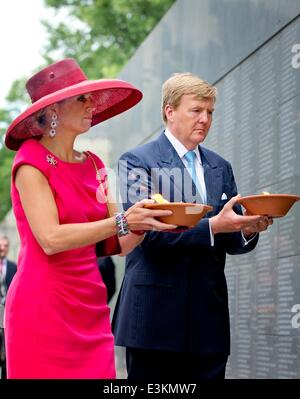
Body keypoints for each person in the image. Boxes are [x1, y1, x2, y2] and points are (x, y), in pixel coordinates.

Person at [3, 58, 177, 379]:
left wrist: (147, 220)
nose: (92, 104)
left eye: (90, 97)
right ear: (53, 110)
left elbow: (119, 243)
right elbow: (51, 240)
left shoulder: (95, 164)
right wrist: (123, 220)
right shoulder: (30, 160)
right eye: (82, 98)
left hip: (90, 308)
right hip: (42, 307)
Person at [112, 72, 273, 380]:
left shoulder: (220, 166)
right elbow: (151, 235)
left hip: (208, 321)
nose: (205, 119)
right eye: (196, 110)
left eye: (210, 112)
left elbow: (228, 236)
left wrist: (246, 229)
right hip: (155, 319)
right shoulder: (136, 161)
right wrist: (214, 226)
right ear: (169, 111)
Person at [0, 235, 17, 379]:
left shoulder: (14, 266)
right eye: (1, 246)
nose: (3, 249)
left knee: (6, 352)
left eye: (5, 246)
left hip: (7, 315)